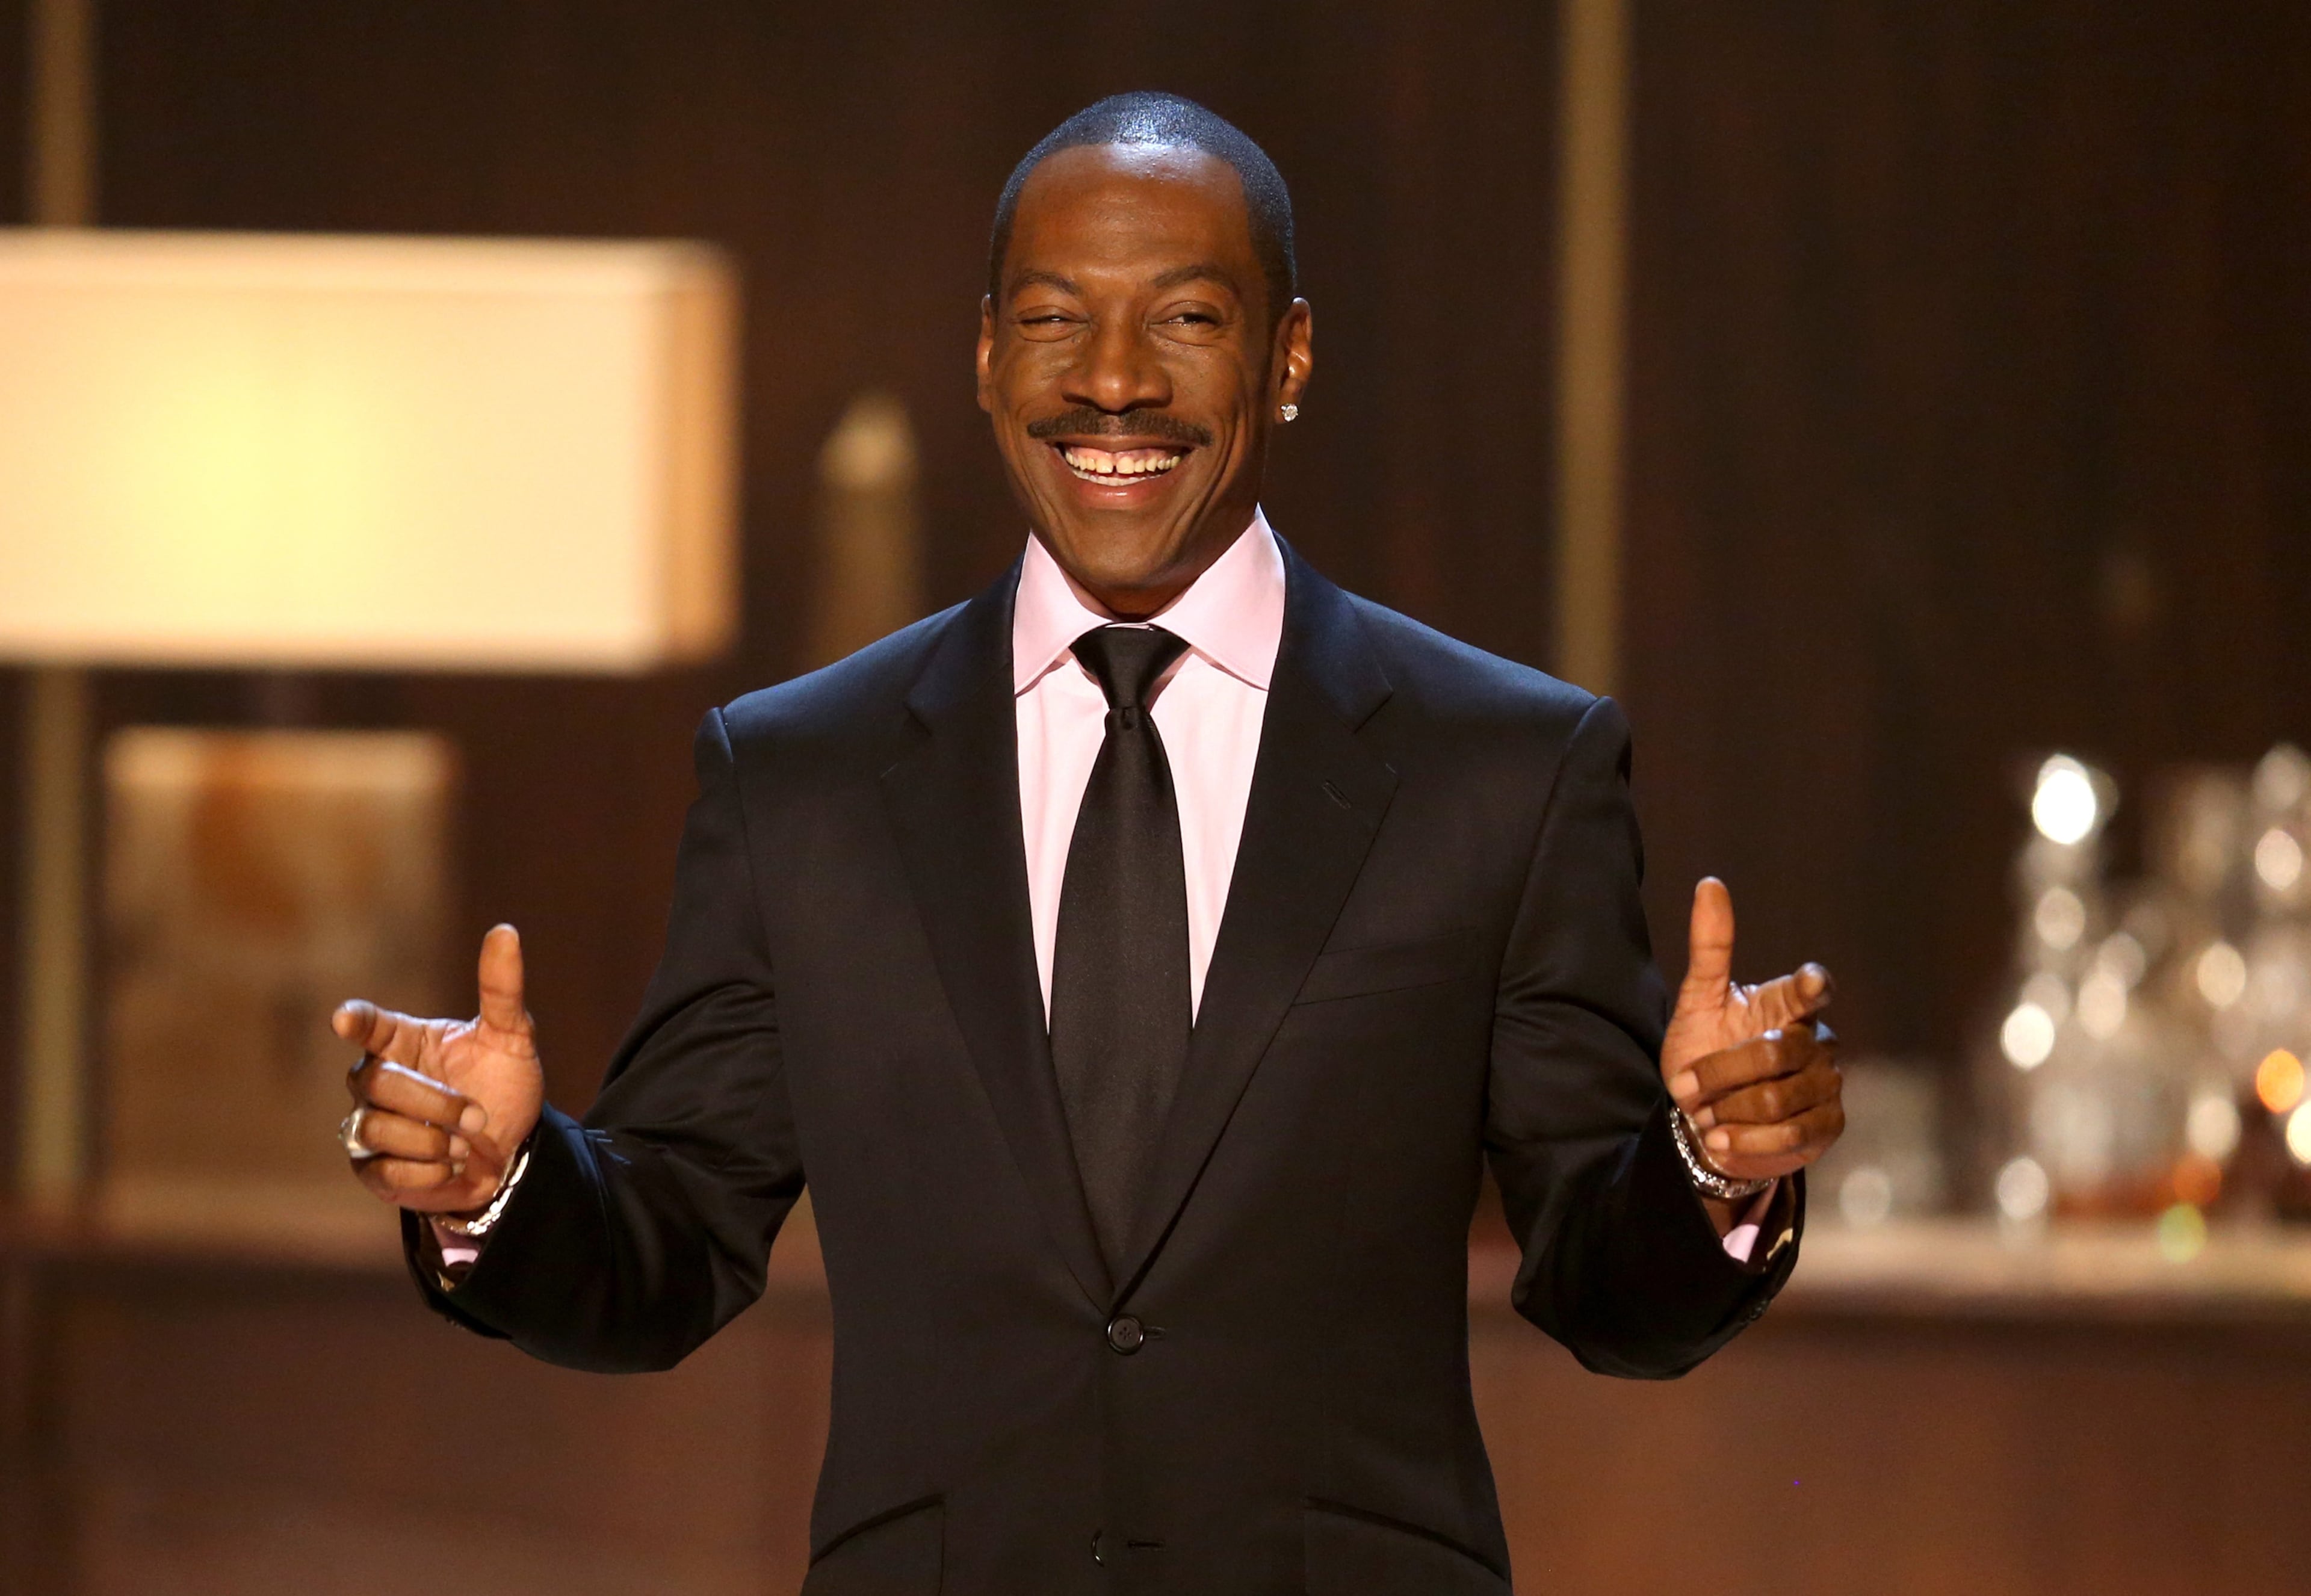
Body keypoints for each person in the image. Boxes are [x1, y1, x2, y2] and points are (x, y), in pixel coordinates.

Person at [333, 92, 1844, 1595]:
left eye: (1186, 318)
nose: (1114, 384)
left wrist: (1712, 1164)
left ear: (1290, 354)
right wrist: (500, 1186)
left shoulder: (1504, 769)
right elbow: (665, 1251)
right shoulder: (800, 777)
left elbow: (1606, 1282)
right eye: (1057, 320)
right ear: (988, 355)